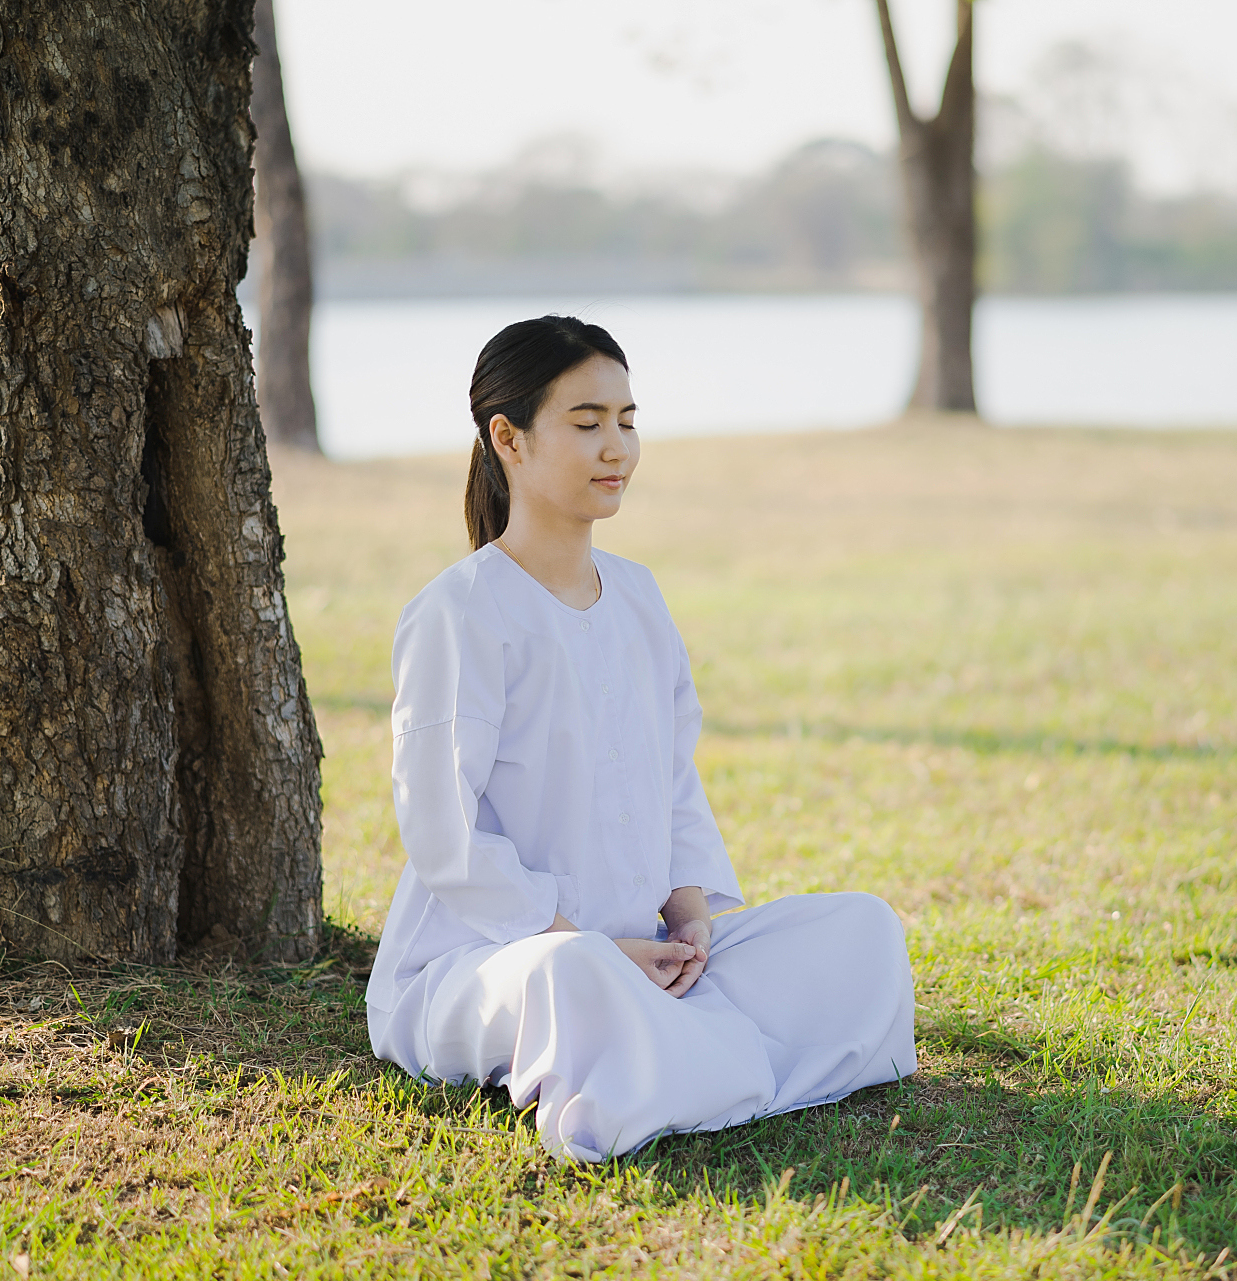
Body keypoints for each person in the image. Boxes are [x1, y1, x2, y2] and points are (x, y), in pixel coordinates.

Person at [365, 315, 917, 1161]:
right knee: (577, 981)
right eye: (587, 423)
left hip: (643, 953)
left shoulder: (637, 596)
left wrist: (688, 920)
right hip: (501, 961)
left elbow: (673, 778)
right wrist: (582, 944)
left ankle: (683, 1056)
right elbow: (445, 839)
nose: (616, 447)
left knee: (863, 930)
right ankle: (697, 1058)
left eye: (627, 420)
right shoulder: (459, 611)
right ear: (508, 438)